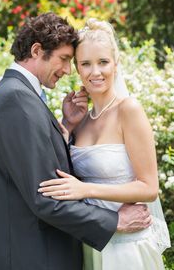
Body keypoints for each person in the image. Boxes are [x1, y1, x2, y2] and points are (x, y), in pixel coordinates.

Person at [0, 13, 152, 270]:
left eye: (103, 62)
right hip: (31, 255)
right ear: (37, 50)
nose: (68, 70)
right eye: (66, 60)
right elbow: (45, 196)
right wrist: (113, 221)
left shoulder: (21, 95)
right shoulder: (16, 99)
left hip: (101, 247)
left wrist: (67, 125)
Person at [38, 18, 171, 270]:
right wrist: (67, 124)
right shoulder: (82, 122)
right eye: (86, 64)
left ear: (116, 64)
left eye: (103, 62)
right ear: (77, 68)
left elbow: (148, 187)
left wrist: (86, 190)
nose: (95, 72)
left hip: (128, 247)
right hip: (93, 244)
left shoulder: (128, 110)